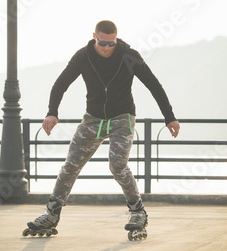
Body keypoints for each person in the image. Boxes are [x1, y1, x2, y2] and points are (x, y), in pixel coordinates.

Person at [26, 20, 180, 237]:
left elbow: (153, 84)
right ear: (94, 37)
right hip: (93, 119)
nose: (107, 48)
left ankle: (138, 212)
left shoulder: (129, 56)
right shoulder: (83, 56)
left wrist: (169, 117)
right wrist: (52, 112)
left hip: (122, 118)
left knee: (118, 165)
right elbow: (61, 84)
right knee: (71, 165)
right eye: (102, 43)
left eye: (111, 43)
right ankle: (51, 214)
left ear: (116, 39)